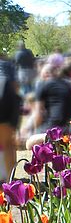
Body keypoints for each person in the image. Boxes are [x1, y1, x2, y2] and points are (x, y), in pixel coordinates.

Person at [26, 61, 71, 149]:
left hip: (54, 129)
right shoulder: (69, 85)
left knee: (29, 143)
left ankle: (52, 141)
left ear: (46, 74)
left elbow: (38, 114)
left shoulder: (43, 85)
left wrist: (36, 132)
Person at [0, 52, 21, 181]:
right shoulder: (8, 64)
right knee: (8, 144)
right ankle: (10, 179)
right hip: (8, 96)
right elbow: (16, 87)